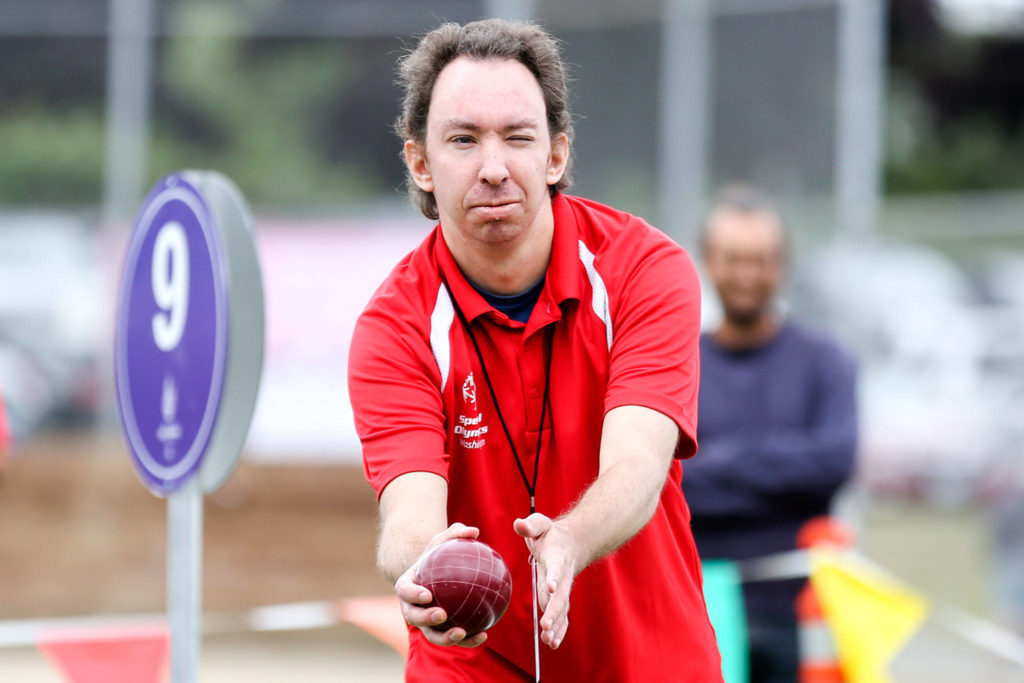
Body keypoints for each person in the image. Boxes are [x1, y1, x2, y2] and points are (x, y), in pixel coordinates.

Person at [348, 18, 722, 683]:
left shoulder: (646, 270)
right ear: (420, 163)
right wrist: (419, 564)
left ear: (555, 155)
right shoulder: (394, 324)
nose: (493, 168)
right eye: (462, 140)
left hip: (650, 658)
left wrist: (570, 540)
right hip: (469, 660)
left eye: (517, 137)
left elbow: (637, 462)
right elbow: (408, 511)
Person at [682, 185, 858, 683]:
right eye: (733, 259)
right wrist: (777, 471)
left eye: (760, 260)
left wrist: (716, 463)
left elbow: (833, 463)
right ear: (709, 262)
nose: (746, 275)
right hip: (697, 605)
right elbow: (661, 479)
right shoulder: (678, 364)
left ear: (782, 265)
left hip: (801, 614)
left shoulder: (825, 361)